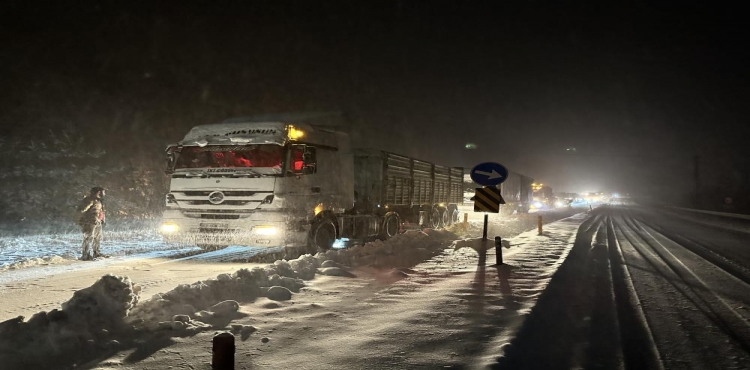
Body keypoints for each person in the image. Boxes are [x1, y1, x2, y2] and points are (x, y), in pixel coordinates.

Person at [77, 186, 106, 260]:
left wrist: (102, 219)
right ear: (98, 192)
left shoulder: (98, 200)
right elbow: (82, 210)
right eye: (103, 192)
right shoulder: (89, 200)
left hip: (97, 221)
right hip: (89, 221)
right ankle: (85, 255)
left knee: (97, 238)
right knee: (88, 238)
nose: (104, 193)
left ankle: (96, 253)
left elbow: (100, 211)